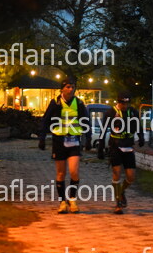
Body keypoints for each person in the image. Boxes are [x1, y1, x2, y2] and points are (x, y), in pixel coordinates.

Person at [39, 79, 91, 214]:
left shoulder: (79, 103)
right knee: (61, 173)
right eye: (68, 87)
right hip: (59, 141)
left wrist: (88, 138)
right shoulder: (55, 103)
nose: (70, 89)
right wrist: (42, 138)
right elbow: (45, 120)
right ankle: (62, 202)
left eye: (73, 87)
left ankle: (72, 199)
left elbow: (86, 121)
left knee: (74, 171)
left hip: (74, 140)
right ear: (62, 89)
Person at [98, 92, 145, 214]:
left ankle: (122, 191)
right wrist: (100, 147)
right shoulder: (110, 113)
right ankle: (118, 202)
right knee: (117, 174)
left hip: (128, 146)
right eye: (123, 103)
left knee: (131, 177)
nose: (125, 106)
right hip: (115, 146)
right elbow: (103, 130)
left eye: (127, 103)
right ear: (118, 102)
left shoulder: (133, 112)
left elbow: (138, 126)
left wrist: (141, 137)